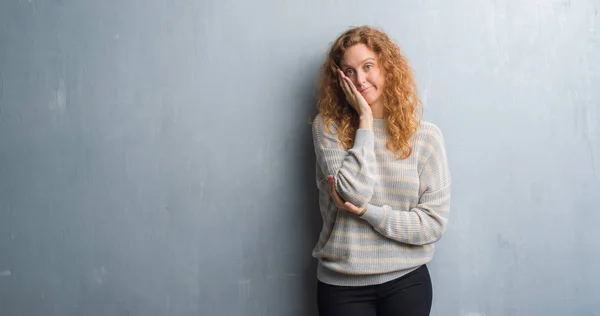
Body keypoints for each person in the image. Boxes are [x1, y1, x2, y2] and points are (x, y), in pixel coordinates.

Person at [310, 25, 452, 316]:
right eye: (349, 71)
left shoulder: (426, 137)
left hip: (407, 280)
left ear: (387, 67)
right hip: (343, 284)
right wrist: (364, 118)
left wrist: (367, 213)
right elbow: (354, 191)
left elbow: (433, 224)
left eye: (368, 66)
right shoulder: (328, 129)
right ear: (339, 78)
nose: (359, 79)